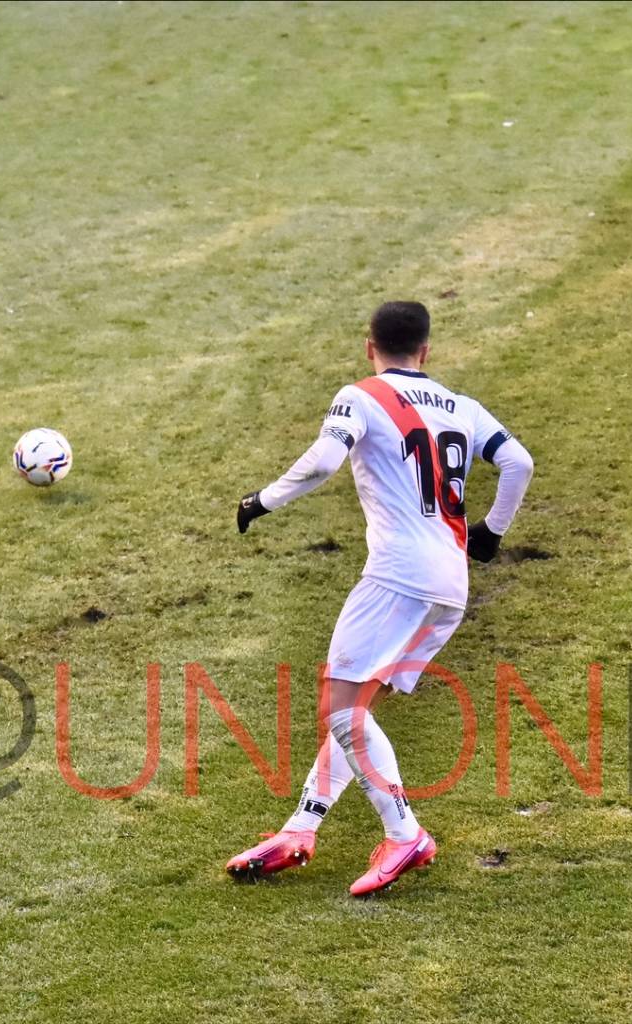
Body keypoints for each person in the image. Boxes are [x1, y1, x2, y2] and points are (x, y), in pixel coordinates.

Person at [227, 300, 535, 896]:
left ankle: (405, 834)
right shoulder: (462, 407)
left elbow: (322, 463)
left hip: (398, 575)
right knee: (356, 708)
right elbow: (518, 462)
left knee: (339, 708)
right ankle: (301, 828)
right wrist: (491, 534)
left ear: (370, 345)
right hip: (450, 583)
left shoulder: (361, 394)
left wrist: (260, 501)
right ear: (427, 350)